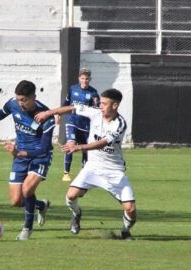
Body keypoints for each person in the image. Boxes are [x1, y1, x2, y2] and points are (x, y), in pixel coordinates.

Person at [35, 88, 137, 240]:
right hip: (93, 167)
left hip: (114, 171)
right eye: (100, 103)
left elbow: (102, 143)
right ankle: (76, 214)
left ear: (115, 105)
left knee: (130, 209)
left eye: (104, 104)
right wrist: (48, 113)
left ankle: (125, 230)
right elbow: (71, 107)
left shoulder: (120, 124)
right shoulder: (95, 112)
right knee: (70, 196)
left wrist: (78, 147)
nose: (100, 106)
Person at [0, 80, 55, 240]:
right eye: (18, 99)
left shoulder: (46, 116)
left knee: (28, 190)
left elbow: (44, 148)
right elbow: (1, 113)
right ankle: (40, 205)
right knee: (16, 201)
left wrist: (19, 152)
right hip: (19, 155)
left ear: (34, 97)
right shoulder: (13, 104)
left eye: (24, 100)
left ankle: (27, 229)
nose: (20, 103)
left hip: (40, 157)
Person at [60, 67, 99, 182]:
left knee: (85, 149)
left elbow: (96, 110)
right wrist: (58, 114)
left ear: (89, 79)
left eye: (87, 78)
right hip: (71, 120)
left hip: (85, 125)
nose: (85, 80)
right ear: (79, 78)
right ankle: (66, 173)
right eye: (82, 78)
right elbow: (66, 103)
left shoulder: (94, 93)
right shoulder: (73, 89)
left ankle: (84, 172)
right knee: (70, 144)